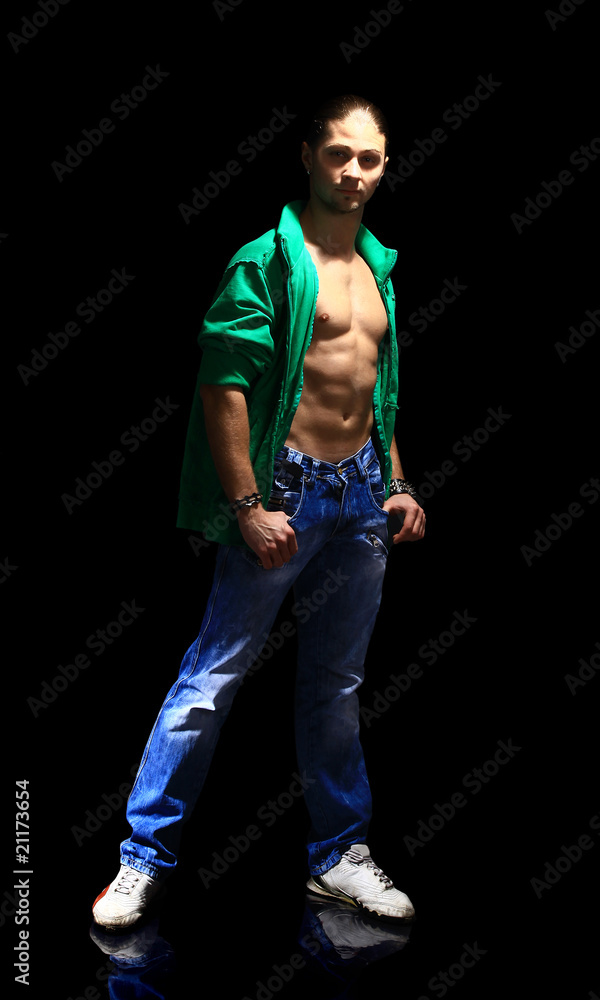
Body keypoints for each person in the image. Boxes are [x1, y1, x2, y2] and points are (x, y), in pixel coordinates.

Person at [92, 94, 425, 931]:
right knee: (211, 680)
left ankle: (339, 856)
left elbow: (376, 391)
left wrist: (397, 482)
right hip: (286, 492)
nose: (353, 171)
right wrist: (247, 504)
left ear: (385, 166)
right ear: (308, 156)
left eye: (370, 158)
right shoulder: (267, 261)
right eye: (338, 154)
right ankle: (141, 860)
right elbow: (223, 384)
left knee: (337, 686)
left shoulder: (379, 266)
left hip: (360, 499)